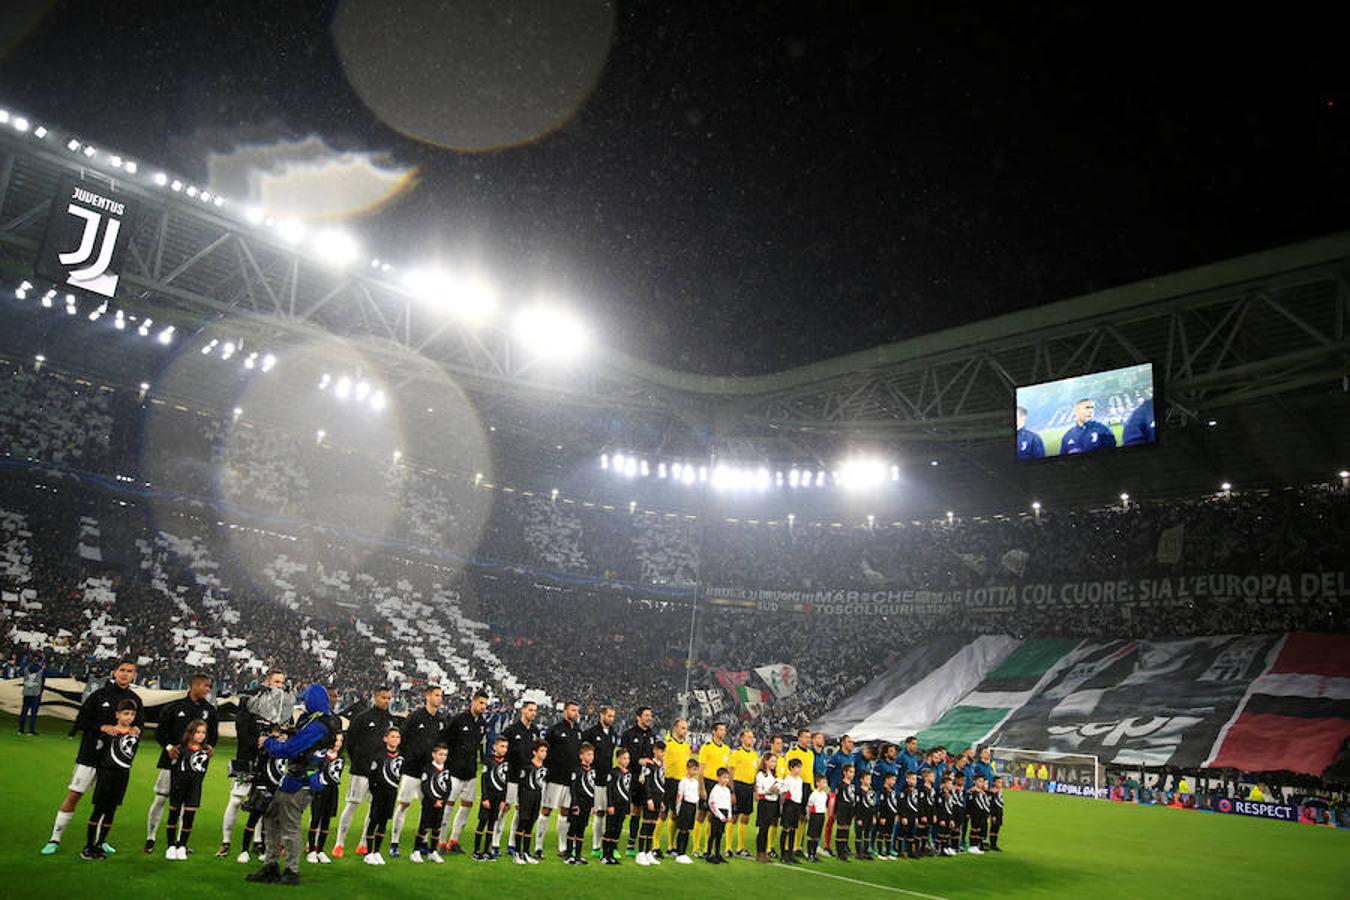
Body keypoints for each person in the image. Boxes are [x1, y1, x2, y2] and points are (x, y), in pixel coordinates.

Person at [42, 658, 143, 856]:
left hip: (113, 763)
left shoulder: (135, 700)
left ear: (134, 675)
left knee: (107, 803)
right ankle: (54, 838)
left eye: (130, 671)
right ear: (114, 672)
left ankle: (100, 841)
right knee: (74, 795)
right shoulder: (99, 695)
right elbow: (81, 720)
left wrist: (136, 729)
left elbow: (139, 725)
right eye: (122, 670)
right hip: (90, 756)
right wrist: (101, 727)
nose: (125, 674)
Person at [244, 683, 339, 886]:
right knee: (271, 817)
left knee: (290, 826)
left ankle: (291, 871)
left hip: (301, 781)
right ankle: (271, 865)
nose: (303, 702)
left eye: (306, 699)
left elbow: (290, 750)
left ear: (313, 700)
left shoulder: (317, 725)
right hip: (294, 778)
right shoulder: (317, 720)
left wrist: (269, 742)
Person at [222, 670, 292, 863]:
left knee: (264, 803)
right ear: (266, 683)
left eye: (282, 682)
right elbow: (242, 730)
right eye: (276, 682)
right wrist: (258, 741)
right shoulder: (251, 702)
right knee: (236, 800)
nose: (280, 685)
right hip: (247, 760)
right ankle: (226, 842)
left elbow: (288, 732)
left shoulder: (285, 709)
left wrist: (285, 738)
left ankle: (258, 841)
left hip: (270, 764)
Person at [147, 672, 217, 854]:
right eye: (205, 686)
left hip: (194, 765)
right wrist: (169, 747)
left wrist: (210, 747)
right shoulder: (174, 707)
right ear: (194, 685)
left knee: (186, 803)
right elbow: (160, 732)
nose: (208, 689)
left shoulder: (210, 710)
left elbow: (213, 737)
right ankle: (151, 837)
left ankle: (180, 842)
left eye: (209, 686)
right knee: (162, 798)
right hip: (171, 760)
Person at [332, 686, 393, 858]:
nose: (386, 701)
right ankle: (339, 843)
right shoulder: (362, 717)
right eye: (383, 697)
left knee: (374, 809)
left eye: (389, 698)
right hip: (361, 770)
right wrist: (359, 760)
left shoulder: (391, 720)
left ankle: (364, 843)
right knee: (352, 805)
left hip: (380, 774)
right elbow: (350, 742)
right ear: (375, 697)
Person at [391, 684, 447, 859]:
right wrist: (409, 757)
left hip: (430, 773)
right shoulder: (415, 716)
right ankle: (394, 842)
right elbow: (403, 738)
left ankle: (424, 844)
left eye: (441, 695)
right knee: (403, 805)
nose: (439, 698)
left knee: (429, 808)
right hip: (412, 770)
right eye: (436, 695)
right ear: (427, 696)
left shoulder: (440, 720)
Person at [81, 699, 140, 860]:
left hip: (122, 775)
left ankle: (100, 844)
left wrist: (135, 729)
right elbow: (98, 752)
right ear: (117, 714)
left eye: (132, 714)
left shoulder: (134, 734)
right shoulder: (108, 733)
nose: (129, 717)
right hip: (106, 774)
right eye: (126, 713)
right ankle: (88, 846)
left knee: (111, 810)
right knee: (98, 810)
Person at [441, 689, 489, 854]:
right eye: (481, 703)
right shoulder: (459, 719)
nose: (483, 707)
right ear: (473, 701)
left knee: (467, 806)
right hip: (454, 770)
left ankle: (453, 840)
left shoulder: (482, 723)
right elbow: (444, 740)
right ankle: (440, 841)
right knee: (447, 806)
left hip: (471, 772)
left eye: (485, 704)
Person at [163, 718, 213, 860]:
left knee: (189, 818)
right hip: (178, 787)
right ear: (190, 733)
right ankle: (171, 846)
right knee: (174, 815)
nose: (201, 735)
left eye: (203, 732)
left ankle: (182, 845)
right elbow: (172, 767)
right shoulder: (180, 749)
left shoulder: (206, 752)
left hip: (195, 788)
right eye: (197, 732)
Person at [496, 700, 540, 856]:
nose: (533, 713)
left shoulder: (535, 731)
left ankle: (512, 843)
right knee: (504, 809)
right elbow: (502, 753)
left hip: (527, 779)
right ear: (523, 710)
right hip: (512, 776)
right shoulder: (511, 730)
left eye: (535, 711)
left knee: (521, 811)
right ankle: (495, 843)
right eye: (530, 710)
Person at [540, 700, 581, 858]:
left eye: (577, 711)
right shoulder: (554, 730)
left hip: (570, 780)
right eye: (572, 710)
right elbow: (545, 752)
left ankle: (562, 846)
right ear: (565, 711)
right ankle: (538, 845)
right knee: (547, 809)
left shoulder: (578, 731)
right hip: (554, 777)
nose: (575, 713)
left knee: (565, 812)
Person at [362, 726, 403, 866]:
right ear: (386, 739)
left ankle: (377, 851)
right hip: (379, 793)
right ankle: (368, 853)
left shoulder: (400, 757)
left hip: (391, 794)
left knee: (384, 822)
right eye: (392, 736)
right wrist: (375, 791)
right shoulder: (379, 755)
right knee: (374, 821)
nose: (395, 739)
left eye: (397, 737)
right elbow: (372, 776)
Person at [580, 705, 617, 858]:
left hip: (605, 779)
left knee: (601, 812)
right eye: (609, 716)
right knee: (584, 811)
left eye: (613, 716)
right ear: (601, 715)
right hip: (591, 779)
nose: (611, 719)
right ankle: (574, 843)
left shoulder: (613, 733)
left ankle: (596, 846)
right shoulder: (590, 733)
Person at [621, 706, 656, 857]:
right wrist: (638, 761)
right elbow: (622, 756)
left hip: (647, 779)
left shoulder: (652, 735)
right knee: (634, 810)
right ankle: (630, 842)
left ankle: (645, 844)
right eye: (646, 715)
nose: (649, 718)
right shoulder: (628, 734)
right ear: (638, 717)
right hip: (633, 777)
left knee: (646, 810)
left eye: (650, 715)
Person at [305, 732, 344, 864]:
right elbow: (311, 771)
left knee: (326, 821)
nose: (338, 743)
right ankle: (311, 850)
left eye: (340, 741)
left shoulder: (341, 758)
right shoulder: (320, 756)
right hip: (320, 791)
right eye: (336, 740)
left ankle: (321, 850)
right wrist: (316, 787)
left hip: (333, 792)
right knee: (315, 819)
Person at [411, 743, 451, 864]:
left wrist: (443, 800)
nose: (442, 757)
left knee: (437, 827)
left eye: (445, 755)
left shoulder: (446, 770)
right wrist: (435, 800)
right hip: (430, 802)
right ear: (433, 754)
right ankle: (416, 851)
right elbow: (425, 786)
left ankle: (433, 851)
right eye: (440, 754)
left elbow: (448, 787)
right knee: (424, 826)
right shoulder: (428, 769)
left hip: (441, 803)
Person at [694, 722, 730, 855]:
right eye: (721, 729)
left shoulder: (726, 749)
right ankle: (696, 847)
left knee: (713, 816)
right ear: (714, 732)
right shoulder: (706, 747)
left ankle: (707, 849)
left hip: (720, 785)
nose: (723, 732)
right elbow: (701, 770)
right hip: (708, 783)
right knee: (702, 814)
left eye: (724, 730)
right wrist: (702, 788)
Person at [474, 736, 510, 860]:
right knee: (482, 823)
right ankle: (476, 851)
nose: (504, 749)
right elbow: (484, 780)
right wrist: (484, 797)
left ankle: (486, 850)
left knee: (491, 825)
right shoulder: (488, 760)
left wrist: (503, 799)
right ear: (494, 747)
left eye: (506, 747)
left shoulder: (506, 762)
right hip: (488, 797)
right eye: (502, 746)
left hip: (498, 798)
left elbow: (506, 782)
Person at [658, 716, 690, 857]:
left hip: (681, 783)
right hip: (668, 782)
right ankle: (655, 845)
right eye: (683, 728)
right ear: (676, 728)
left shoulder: (686, 746)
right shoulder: (668, 744)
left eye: (686, 728)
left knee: (676, 815)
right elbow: (662, 764)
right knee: (662, 813)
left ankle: (671, 846)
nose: (685, 730)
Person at [513, 740, 548, 865]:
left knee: (530, 825)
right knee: (522, 823)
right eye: (542, 751)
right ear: (535, 752)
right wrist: (518, 800)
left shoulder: (544, 769)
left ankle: (526, 852)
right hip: (526, 798)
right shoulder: (527, 767)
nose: (544, 754)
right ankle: (517, 853)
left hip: (537, 798)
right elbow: (521, 784)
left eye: (545, 751)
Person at [564, 741, 597, 864]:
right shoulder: (577, 770)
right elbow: (573, 788)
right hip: (578, 803)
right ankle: (568, 855)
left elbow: (592, 787)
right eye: (588, 755)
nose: (591, 757)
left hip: (588, 804)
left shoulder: (592, 770)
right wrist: (575, 804)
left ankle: (578, 855)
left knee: (581, 829)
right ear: (581, 756)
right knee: (573, 828)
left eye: (592, 755)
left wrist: (593, 804)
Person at [634, 740, 666, 866]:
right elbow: (645, 783)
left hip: (658, 798)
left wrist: (662, 800)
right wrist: (648, 798)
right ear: (654, 750)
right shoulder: (649, 765)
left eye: (663, 751)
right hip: (651, 798)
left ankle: (648, 852)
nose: (661, 753)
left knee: (653, 825)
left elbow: (662, 784)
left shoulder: (662, 766)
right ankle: (640, 853)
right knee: (646, 824)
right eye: (659, 750)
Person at [729, 728, 759, 858]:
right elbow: (730, 771)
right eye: (748, 737)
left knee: (746, 816)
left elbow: (755, 773)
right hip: (738, 786)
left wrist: (755, 789)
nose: (751, 739)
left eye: (752, 737)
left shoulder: (754, 754)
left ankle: (741, 847)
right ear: (742, 739)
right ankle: (728, 847)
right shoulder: (736, 753)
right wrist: (732, 791)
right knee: (734, 816)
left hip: (749, 787)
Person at [784, 728, 815, 853]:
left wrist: (812, 787)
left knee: (803, 817)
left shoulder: (810, 753)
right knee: (792, 817)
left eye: (809, 737)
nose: (808, 740)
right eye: (806, 737)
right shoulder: (792, 752)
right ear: (799, 738)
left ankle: (797, 846)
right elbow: (788, 770)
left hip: (807, 786)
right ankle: (787, 846)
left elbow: (810, 771)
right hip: (796, 787)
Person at [601, 747, 632, 865]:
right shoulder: (613, 772)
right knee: (610, 829)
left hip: (623, 806)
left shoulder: (628, 774)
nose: (626, 760)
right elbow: (609, 790)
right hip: (614, 805)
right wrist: (610, 805)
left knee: (618, 829)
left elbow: (628, 791)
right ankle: (605, 855)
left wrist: (629, 806)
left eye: (628, 758)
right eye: (624, 758)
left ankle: (612, 854)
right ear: (618, 759)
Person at [754, 752, 781, 863]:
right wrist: (770, 790)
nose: (774, 764)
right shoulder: (761, 775)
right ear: (766, 761)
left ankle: (763, 852)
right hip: (765, 803)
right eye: (772, 761)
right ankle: (760, 853)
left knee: (767, 828)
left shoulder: (773, 775)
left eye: (775, 761)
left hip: (773, 803)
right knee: (763, 829)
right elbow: (759, 791)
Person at [672, 759, 701, 864]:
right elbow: (679, 796)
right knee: (682, 829)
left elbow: (695, 795)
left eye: (696, 770)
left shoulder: (696, 782)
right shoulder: (683, 781)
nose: (695, 772)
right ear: (688, 769)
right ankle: (679, 853)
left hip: (692, 806)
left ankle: (683, 852)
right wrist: (678, 810)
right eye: (693, 769)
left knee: (688, 829)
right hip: (685, 806)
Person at [19, 656, 55, 735]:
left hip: (27, 692)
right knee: (33, 713)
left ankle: (21, 729)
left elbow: (20, 672)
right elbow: (54, 674)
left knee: (24, 711)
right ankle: (31, 730)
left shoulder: (26, 668)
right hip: (36, 693)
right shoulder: (42, 670)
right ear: (41, 662)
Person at [778, 758, 805, 864]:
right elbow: (783, 792)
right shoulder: (788, 779)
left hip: (797, 805)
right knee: (786, 829)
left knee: (793, 829)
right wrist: (782, 807)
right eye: (797, 767)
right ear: (791, 768)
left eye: (800, 767)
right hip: (789, 805)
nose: (799, 770)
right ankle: (782, 854)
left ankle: (790, 853)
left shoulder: (800, 780)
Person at [706, 767, 734, 864]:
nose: (726, 780)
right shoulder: (716, 789)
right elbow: (712, 803)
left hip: (725, 812)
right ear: (718, 778)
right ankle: (709, 853)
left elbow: (728, 803)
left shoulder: (727, 790)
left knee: (720, 834)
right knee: (713, 834)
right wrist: (719, 815)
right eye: (723, 777)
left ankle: (717, 854)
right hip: (717, 814)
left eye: (727, 778)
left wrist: (729, 814)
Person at [831, 763, 857, 861]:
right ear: (844, 773)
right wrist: (835, 812)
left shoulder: (852, 786)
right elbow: (837, 799)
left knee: (846, 830)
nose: (852, 774)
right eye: (850, 772)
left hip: (850, 810)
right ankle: (840, 852)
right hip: (842, 809)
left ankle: (844, 850)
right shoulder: (840, 784)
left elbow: (853, 799)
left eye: (853, 772)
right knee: (841, 830)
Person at [805, 775, 829, 863]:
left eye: (826, 782)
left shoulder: (824, 795)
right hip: (814, 816)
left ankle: (814, 854)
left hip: (821, 815)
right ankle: (810, 854)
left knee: (817, 836)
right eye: (823, 782)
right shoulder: (814, 794)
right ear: (817, 783)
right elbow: (809, 806)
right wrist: (808, 816)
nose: (825, 784)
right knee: (812, 835)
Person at [876, 771, 899, 859]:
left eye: (894, 780)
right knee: (881, 833)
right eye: (892, 780)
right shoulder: (882, 791)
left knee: (889, 834)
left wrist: (896, 813)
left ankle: (888, 853)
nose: (894, 782)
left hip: (892, 815)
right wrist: (882, 816)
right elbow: (882, 804)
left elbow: (894, 803)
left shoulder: (893, 791)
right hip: (884, 816)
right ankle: (880, 853)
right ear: (887, 780)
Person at [967, 774, 990, 854]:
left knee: (979, 829)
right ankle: (971, 846)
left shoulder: (982, 792)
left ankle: (976, 845)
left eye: (982, 782)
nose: (981, 783)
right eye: (979, 781)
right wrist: (968, 813)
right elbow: (969, 803)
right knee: (974, 828)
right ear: (974, 781)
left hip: (981, 813)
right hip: (974, 813)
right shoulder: (972, 791)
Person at [989, 776, 1005, 852]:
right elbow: (991, 804)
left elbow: (1001, 803)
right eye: (998, 782)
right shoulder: (992, 792)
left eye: (1001, 782)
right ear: (994, 783)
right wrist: (993, 815)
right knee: (994, 828)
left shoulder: (1000, 791)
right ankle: (992, 844)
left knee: (997, 828)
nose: (1000, 784)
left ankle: (995, 844)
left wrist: (1002, 813)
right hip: (995, 813)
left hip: (999, 812)